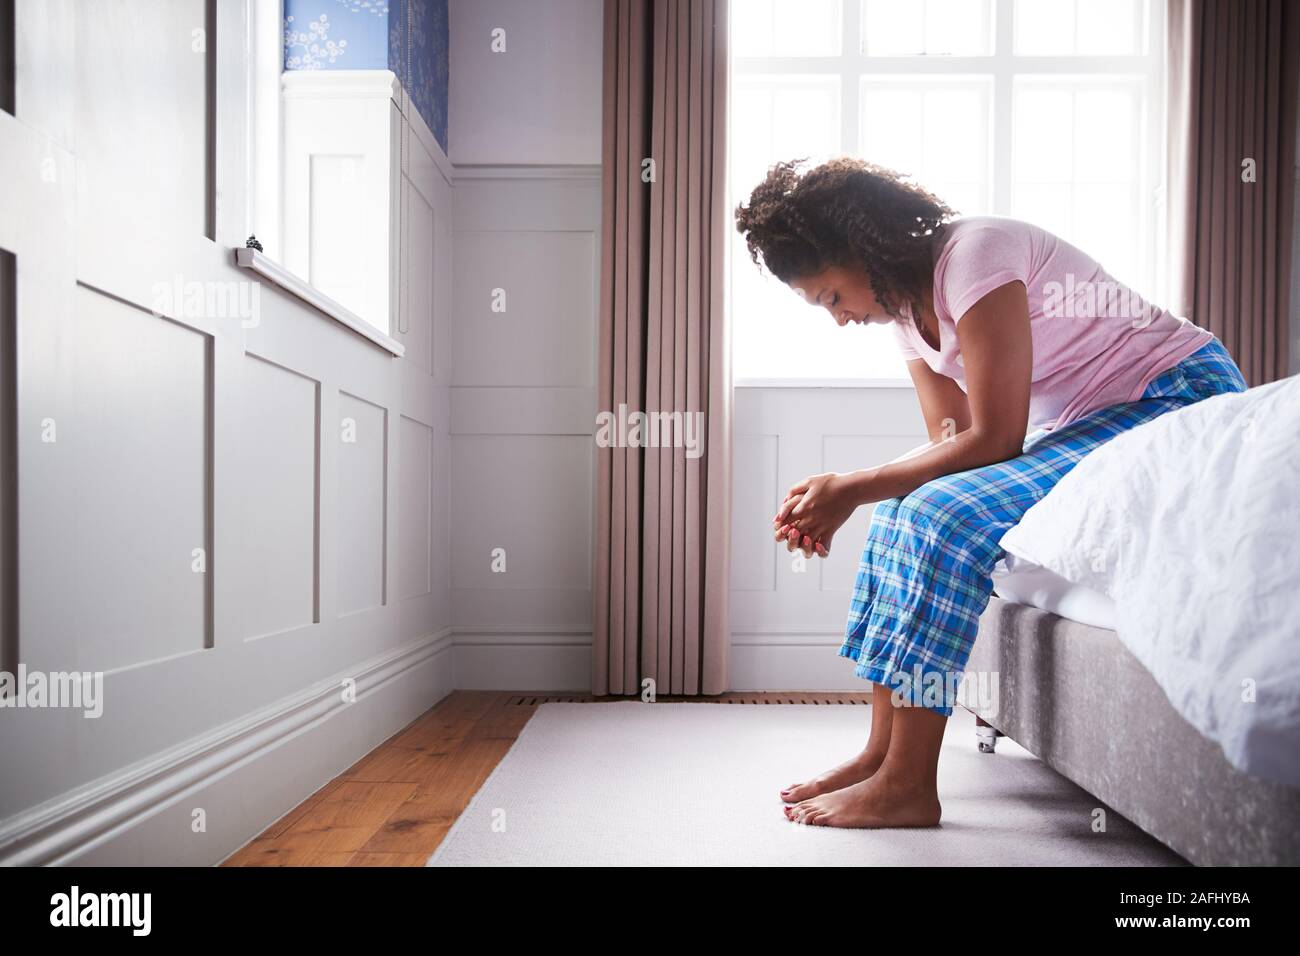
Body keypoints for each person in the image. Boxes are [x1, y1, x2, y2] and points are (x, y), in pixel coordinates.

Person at [733, 157, 1248, 828]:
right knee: (902, 512)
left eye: (833, 297)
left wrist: (850, 486)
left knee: (939, 520)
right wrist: (851, 495)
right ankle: (881, 756)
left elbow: (997, 438)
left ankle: (909, 788)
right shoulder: (903, 317)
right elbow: (955, 442)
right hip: (1096, 421)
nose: (838, 319)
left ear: (862, 253)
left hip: (1176, 397)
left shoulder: (975, 254)